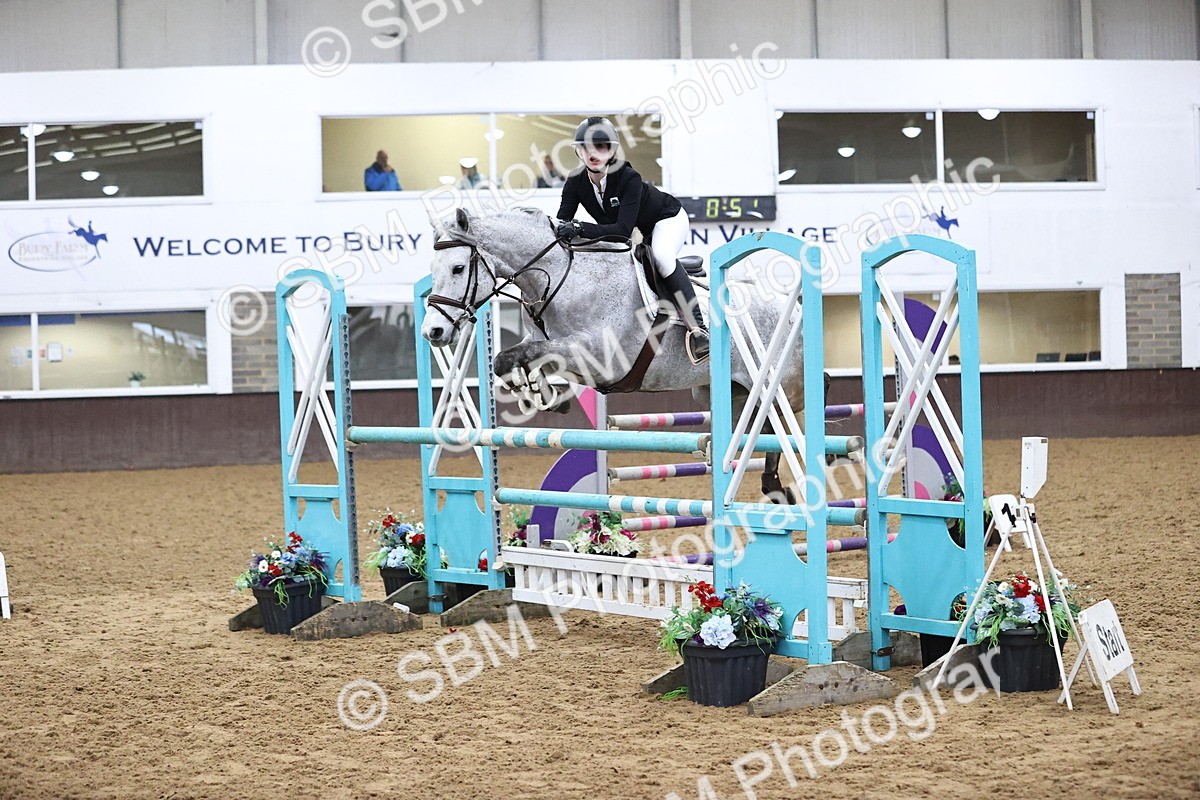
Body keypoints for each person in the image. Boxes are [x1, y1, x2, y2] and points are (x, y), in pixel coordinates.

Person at [555, 116, 708, 363]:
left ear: (612, 150)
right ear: (578, 151)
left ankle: (699, 330)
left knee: (662, 257)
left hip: (666, 218)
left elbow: (622, 232)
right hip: (637, 229)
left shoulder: (628, 178)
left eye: (601, 146)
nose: (593, 152)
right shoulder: (575, 182)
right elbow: (562, 223)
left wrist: (580, 227)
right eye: (586, 147)